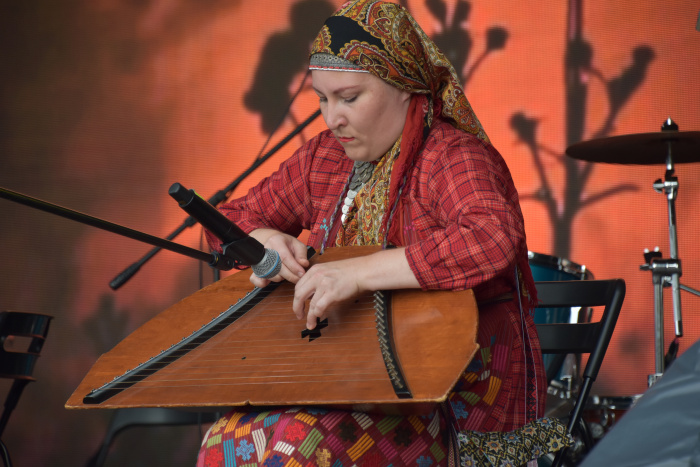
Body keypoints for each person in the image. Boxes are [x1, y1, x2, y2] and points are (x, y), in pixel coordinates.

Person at [197, 1, 570, 465]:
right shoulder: (324, 158)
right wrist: (266, 241)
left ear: (404, 86)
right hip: (347, 382)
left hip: (450, 401)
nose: (332, 118)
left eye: (349, 98)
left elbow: (492, 237)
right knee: (224, 442)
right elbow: (231, 219)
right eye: (322, 99)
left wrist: (358, 273)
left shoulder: (451, 156)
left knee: (299, 443)